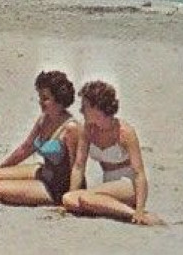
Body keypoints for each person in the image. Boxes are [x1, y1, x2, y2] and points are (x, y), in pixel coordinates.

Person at [62, 80, 163, 226]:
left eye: (84, 106)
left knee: (86, 199)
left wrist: (140, 207)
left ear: (96, 108)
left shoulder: (125, 132)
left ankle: (136, 214)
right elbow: (79, 166)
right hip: (108, 184)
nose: (81, 111)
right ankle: (116, 208)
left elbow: (138, 173)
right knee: (69, 199)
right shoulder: (88, 130)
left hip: (128, 184)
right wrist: (73, 193)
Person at [0, 70, 82, 207]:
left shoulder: (71, 128)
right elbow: (26, 148)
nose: (41, 102)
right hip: (44, 171)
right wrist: (1, 168)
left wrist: (71, 198)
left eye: (45, 98)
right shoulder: (44, 119)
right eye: (40, 97)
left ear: (59, 100)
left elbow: (76, 167)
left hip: (59, 186)